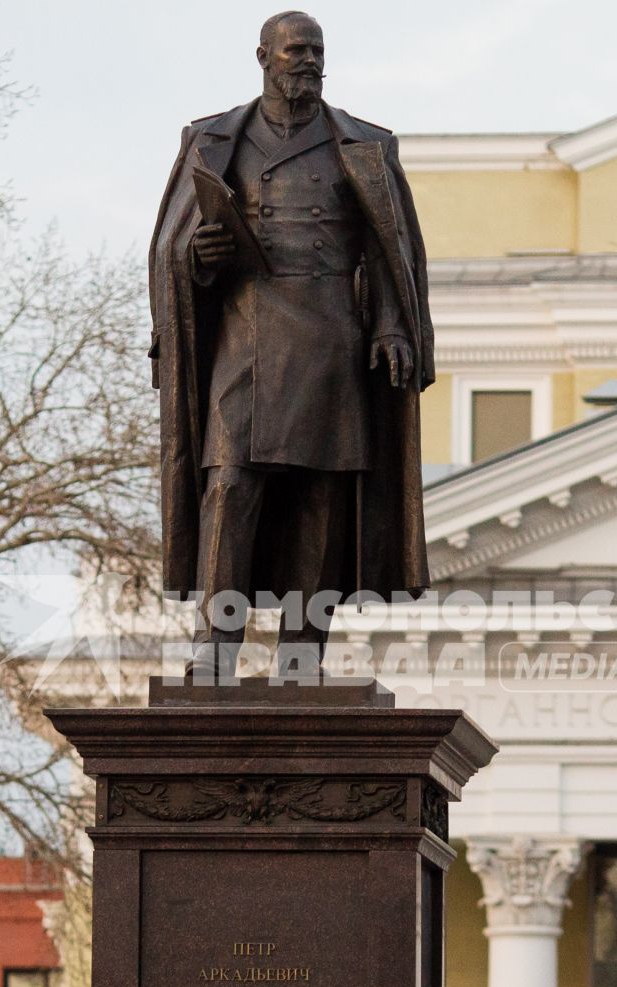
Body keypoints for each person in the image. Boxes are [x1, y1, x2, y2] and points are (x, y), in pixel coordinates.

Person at [148, 10, 433, 682]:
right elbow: (171, 249)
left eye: (316, 51)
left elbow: (391, 251)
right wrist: (200, 256)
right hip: (243, 339)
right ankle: (214, 650)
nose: (308, 62)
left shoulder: (364, 144)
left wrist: (393, 325)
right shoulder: (212, 138)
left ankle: (301, 659)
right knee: (229, 484)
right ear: (263, 57)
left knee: (319, 497)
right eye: (295, 51)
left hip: (331, 337)